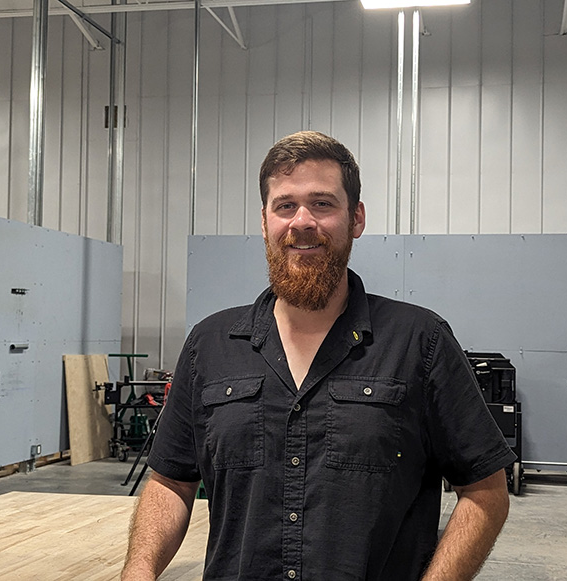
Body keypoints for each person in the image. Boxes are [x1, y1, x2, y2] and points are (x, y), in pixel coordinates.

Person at [122, 131, 514, 581]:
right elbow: (171, 481)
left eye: (323, 203)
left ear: (357, 218)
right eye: (285, 205)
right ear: (265, 220)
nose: (302, 221)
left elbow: (485, 491)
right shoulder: (209, 345)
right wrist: (139, 570)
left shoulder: (419, 341)